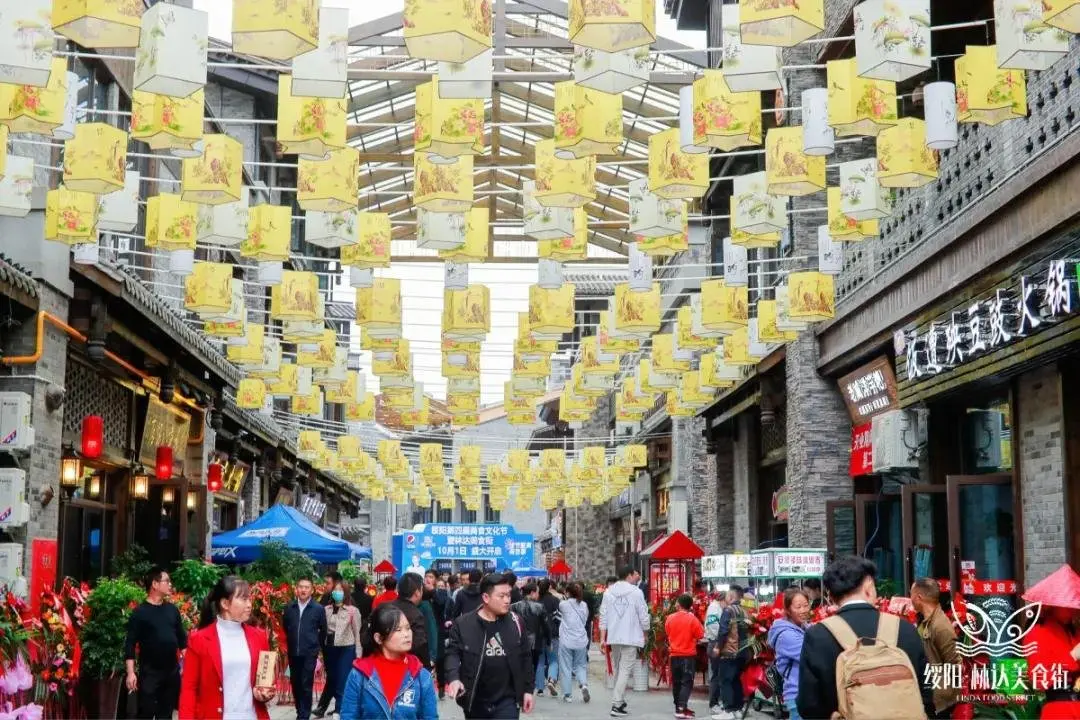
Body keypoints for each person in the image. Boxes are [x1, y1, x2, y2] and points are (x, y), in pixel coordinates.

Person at [797, 556, 933, 720]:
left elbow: (808, 704)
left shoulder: (818, 635)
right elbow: (927, 689)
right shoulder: (904, 629)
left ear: (830, 596)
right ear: (869, 588)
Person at [179, 576, 275, 720]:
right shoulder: (199, 639)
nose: (249, 604)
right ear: (225, 603)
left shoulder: (259, 636)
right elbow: (189, 689)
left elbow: (265, 679)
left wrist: (264, 692)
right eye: (243, 599)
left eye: (249, 599)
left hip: (252, 715)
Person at [445, 573, 535, 719]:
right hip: (475, 699)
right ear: (486, 598)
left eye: (508, 595)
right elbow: (452, 654)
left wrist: (528, 690)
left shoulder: (516, 622)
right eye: (501, 596)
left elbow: (526, 658)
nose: (507, 600)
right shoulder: (463, 624)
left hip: (507, 700)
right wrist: (454, 678)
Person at [339, 603, 439, 720]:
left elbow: (430, 717)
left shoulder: (421, 677)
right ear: (379, 638)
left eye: (408, 628)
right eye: (398, 630)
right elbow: (348, 716)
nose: (407, 634)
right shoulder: (359, 675)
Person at [124, 566, 187, 720]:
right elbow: (130, 644)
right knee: (145, 713)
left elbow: (182, 640)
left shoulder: (172, 610)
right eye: (167, 581)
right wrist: (131, 673)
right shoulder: (140, 613)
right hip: (150, 673)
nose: (170, 584)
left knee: (166, 715)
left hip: (171, 673)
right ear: (155, 584)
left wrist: (187, 666)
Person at [1022, 565, 1080, 719]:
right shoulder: (1037, 633)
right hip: (1059, 712)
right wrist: (1073, 656)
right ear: (1052, 605)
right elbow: (1039, 680)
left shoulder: (1073, 631)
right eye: (1068, 606)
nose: (1073, 611)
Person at [599, 565, 650, 718]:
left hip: (614, 636)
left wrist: (602, 638)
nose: (636, 576)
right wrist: (646, 633)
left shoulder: (608, 592)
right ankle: (616, 703)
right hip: (631, 636)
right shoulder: (636, 592)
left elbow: (603, 616)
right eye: (635, 574)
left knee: (618, 669)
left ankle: (619, 702)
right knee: (625, 670)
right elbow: (643, 615)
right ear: (628, 575)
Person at [909, 578, 961, 719]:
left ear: (918, 597)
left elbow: (955, 664)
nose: (910, 599)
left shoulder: (940, 626)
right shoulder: (924, 621)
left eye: (911, 595)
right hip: (927, 694)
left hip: (938, 701)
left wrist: (943, 692)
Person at [314, 581, 363, 719]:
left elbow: (357, 633)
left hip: (346, 648)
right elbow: (322, 629)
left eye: (340, 590)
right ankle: (331, 707)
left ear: (346, 592)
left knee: (342, 678)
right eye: (335, 589)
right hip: (329, 648)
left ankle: (339, 709)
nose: (337, 592)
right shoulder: (326, 609)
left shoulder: (352, 611)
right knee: (333, 678)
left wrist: (358, 653)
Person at [283, 576, 329, 720]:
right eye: (301, 587)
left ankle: (304, 716)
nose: (303, 590)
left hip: (309, 653)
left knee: (306, 684)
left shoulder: (318, 609)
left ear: (311, 590)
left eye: (306, 587)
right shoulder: (290, 607)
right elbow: (286, 627)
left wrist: (315, 646)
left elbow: (323, 629)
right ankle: (299, 711)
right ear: (296, 589)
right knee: (295, 684)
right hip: (293, 653)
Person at [766, 588, 811, 720]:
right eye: (798, 607)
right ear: (788, 610)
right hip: (798, 694)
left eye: (806, 605)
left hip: (807, 693)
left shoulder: (805, 627)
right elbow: (813, 656)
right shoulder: (786, 635)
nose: (803, 610)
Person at [665, 594, 704, 720]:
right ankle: (682, 708)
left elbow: (668, 632)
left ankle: (679, 708)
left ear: (679, 604)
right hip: (688, 656)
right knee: (686, 682)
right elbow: (700, 635)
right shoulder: (692, 619)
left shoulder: (670, 618)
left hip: (674, 655)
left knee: (676, 682)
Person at [713, 588, 748, 717]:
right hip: (743, 652)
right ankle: (738, 709)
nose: (726, 598)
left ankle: (728, 710)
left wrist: (718, 647)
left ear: (732, 596)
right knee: (736, 680)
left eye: (727, 595)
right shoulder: (745, 611)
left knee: (725, 680)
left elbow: (723, 630)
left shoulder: (728, 610)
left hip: (729, 651)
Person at [557, 582, 591, 704]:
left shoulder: (563, 605)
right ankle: (583, 684)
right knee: (581, 665)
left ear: (567, 593)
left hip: (566, 640)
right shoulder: (584, 605)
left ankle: (568, 695)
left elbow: (561, 603)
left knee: (566, 667)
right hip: (581, 640)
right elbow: (585, 619)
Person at [511, 582, 548, 688]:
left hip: (518, 641)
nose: (538, 595)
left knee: (520, 665)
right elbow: (546, 625)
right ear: (532, 593)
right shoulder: (540, 607)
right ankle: (528, 687)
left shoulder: (514, 607)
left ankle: (521, 687)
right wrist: (549, 640)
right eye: (537, 592)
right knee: (533, 665)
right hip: (534, 642)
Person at [391, 573, 431, 669]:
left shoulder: (384, 607)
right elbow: (420, 645)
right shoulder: (416, 614)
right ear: (417, 592)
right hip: (407, 668)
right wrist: (427, 669)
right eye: (422, 589)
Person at [536, 578, 561, 697]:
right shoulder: (555, 600)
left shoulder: (536, 601)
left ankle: (540, 689)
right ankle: (551, 680)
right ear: (550, 586)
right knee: (553, 660)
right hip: (553, 634)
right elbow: (558, 618)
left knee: (540, 662)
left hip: (538, 635)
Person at [704, 591, 727, 716]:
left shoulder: (717, 608)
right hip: (715, 644)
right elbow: (714, 627)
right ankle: (713, 704)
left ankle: (719, 702)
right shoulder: (714, 608)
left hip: (718, 643)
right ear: (722, 600)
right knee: (716, 676)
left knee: (720, 675)